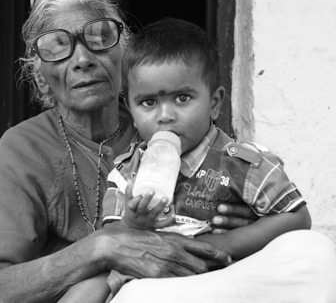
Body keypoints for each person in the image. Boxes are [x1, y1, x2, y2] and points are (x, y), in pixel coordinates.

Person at [0, 0, 336, 303]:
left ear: (125, 55)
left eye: (99, 37)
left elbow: (261, 211)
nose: (82, 59)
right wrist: (104, 247)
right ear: (41, 73)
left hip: (202, 281)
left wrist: (243, 226)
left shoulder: (174, 124)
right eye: (57, 47)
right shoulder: (23, 147)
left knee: (314, 253)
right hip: (129, 293)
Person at [64, 17, 313, 302]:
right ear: (130, 109)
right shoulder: (126, 172)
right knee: (89, 285)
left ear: (215, 104)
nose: (165, 115)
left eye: (182, 98)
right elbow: (111, 239)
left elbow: (297, 217)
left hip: (224, 278)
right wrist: (134, 222)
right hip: (149, 282)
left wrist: (225, 243)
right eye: (148, 103)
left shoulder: (243, 164)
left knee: (313, 251)